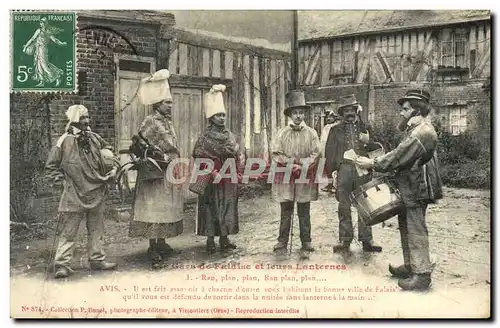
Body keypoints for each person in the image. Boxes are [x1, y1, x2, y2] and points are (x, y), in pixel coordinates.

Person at [356, 89, 443, 291]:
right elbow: (400, 156)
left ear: (417, 110)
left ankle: (421, 275)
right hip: (411, 185)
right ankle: (412, 265)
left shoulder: (422, 132)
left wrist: (373, 163)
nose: (401, 113)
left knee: (416, 229)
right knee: (406, 225)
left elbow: (399, 156)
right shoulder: (415, 129)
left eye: (405, 109)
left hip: (418, 186)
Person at [45, 104, 118, 279]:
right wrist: (63, 183)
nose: (86, 121)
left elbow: (111, 155)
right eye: (82, 118)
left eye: (87, 117)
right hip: (74, 194)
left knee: (96, 229)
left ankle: (97, 260)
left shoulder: (94, 137)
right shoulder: (63, 141)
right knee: (69, 230)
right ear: (72, 121)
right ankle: (62, 264)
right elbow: (51, 168)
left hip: (97, 191)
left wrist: (113, 168)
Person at [128, 69, 184, 267]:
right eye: (167, 103)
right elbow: (143, 146)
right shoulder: (150, 121)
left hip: (168, 172)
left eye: (170, 102)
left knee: (165, 207)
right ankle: (152, 246)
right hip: (155, 173)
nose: (170, 106)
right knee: (153, 208)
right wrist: (159, 156)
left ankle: (162, 241)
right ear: (158, 104)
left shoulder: (167, 122)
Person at [324, 94, 382, 253]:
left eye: (352, 109)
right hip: (344, 170)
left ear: (357, 110)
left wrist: (368, 141)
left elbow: (376, 149)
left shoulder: (366, 127)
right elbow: (329, 152)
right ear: (342, 113)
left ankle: (366, 240)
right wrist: (333, 172)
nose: (349, 113)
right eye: (346, 110)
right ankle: (345, 240)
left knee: (365, 204)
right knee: (343, 206)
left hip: (363, 170)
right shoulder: (335, 130)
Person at [192, 84, 242, 253]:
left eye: (223, 115)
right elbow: (199, 156)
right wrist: (213, 172)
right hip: (212, 177)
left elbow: (236, 153)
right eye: (218, 115)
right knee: (210, 207)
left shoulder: (229, 135)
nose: (222, 118)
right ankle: (210, 240)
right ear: (211, 117)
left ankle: (225, 238)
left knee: (228, 206)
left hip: (227, 176)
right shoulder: (205, 137)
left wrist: (238, 164)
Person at [271, 90, 320, 253]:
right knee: (286, 210)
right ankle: (282, 241)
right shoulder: (282, 133)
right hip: (286, 174)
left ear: (304, 114)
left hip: (305, 174)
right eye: (295, 113)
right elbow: (276, 152)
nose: (298, 116)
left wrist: (303, 166)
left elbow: (316, 153)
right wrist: (290, 164)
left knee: (304, 210)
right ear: (290, 115)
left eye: (301, 112)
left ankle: (306, 241)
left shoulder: (312, 133)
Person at [22, 17, 66, 87]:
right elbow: (32, 39)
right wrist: (25, 47)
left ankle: (57, 77)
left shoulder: (48, 31)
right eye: (41, 22)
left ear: (46, 24)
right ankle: (42, 81)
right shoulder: (38, 31)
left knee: (44, 65)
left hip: (43, 49)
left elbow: (55, 40)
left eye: (43, 23)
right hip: (37, 49)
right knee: (38, 65)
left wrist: (62, 43)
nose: (41, 24)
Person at [320, 110, 341, 193]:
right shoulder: (325, 127)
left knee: (334, 168)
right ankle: (329, 184)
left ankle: (335, 185)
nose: (328, 119)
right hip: (325, 150)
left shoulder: (336, 127)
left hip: (333, 150)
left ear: (334, 118)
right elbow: (322, 140)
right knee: (328, 169)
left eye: (330, 117)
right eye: (327, 117)